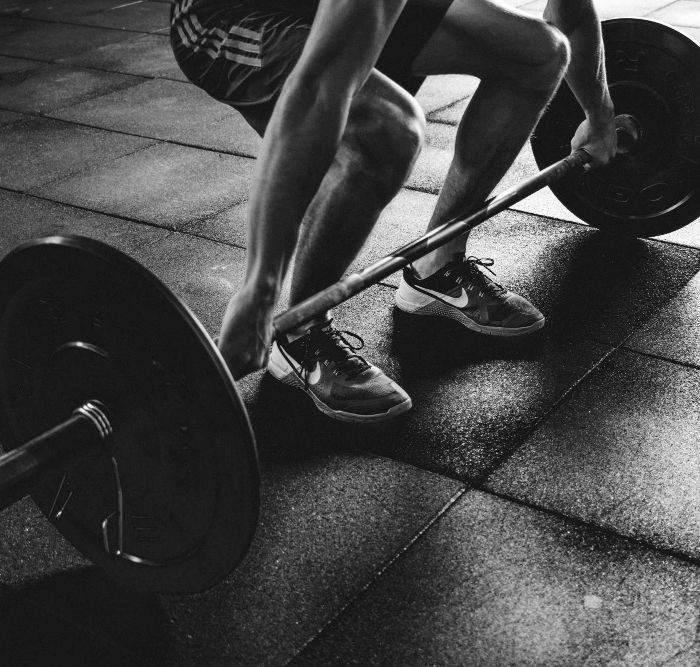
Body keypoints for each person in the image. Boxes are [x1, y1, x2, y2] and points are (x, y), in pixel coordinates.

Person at [170, 0, 616, 423]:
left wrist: (599, 115)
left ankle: (436, 265)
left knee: (539, 53)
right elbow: (319, 88)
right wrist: (259, 290)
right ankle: (302, 332)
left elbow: (570, 17)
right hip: (228, 16)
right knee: (388, 130)